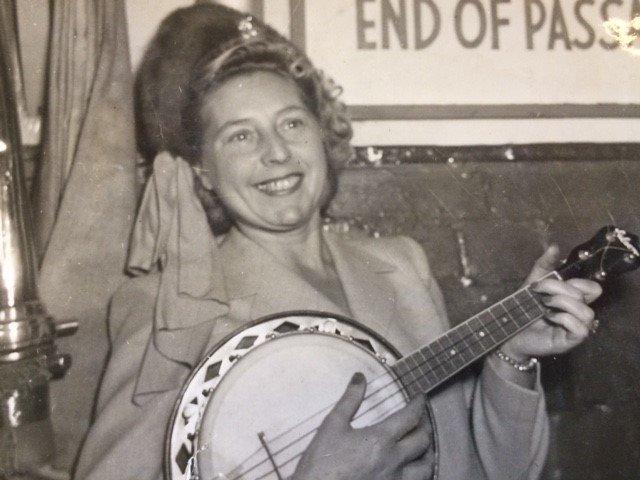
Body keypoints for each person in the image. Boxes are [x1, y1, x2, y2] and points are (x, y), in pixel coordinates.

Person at [74, 4, 602, 480]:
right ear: (203, 172)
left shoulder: (401, 266)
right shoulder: (166, 310)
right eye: (240, 135)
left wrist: (511, 358)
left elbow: (491, 468)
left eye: (292, 124)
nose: (276, 153)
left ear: (323, 138)